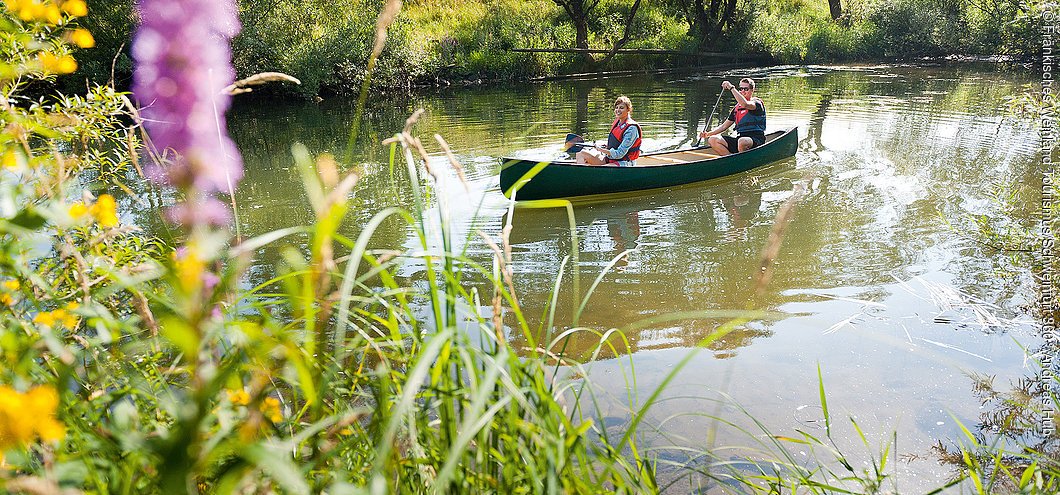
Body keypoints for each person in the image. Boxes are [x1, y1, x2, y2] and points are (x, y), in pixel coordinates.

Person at [699, 78, 766, 156]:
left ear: (752, 90)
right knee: (712, 139)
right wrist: (708, 134)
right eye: (741, 89)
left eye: (746, 89)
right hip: (740, 139)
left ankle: (742, 160)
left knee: (742, 141)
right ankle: (730, 160)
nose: (743, 91)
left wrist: (731, 88)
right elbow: (724, 126)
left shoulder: (757, 104)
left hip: (756, 139)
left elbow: (745, 104)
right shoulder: (736, 109)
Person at [577, 96, 642, 166]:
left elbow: (619, 154)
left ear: (628, 110)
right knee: (580, 153)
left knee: (602, 170)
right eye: (616, 108)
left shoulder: (632, 129)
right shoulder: (618, 123)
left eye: (621, 108)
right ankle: (581, 173)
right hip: (611, 159)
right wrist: (606, 146)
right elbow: (616, 143)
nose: (618, 110)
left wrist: (601, 150)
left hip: (625, 162)